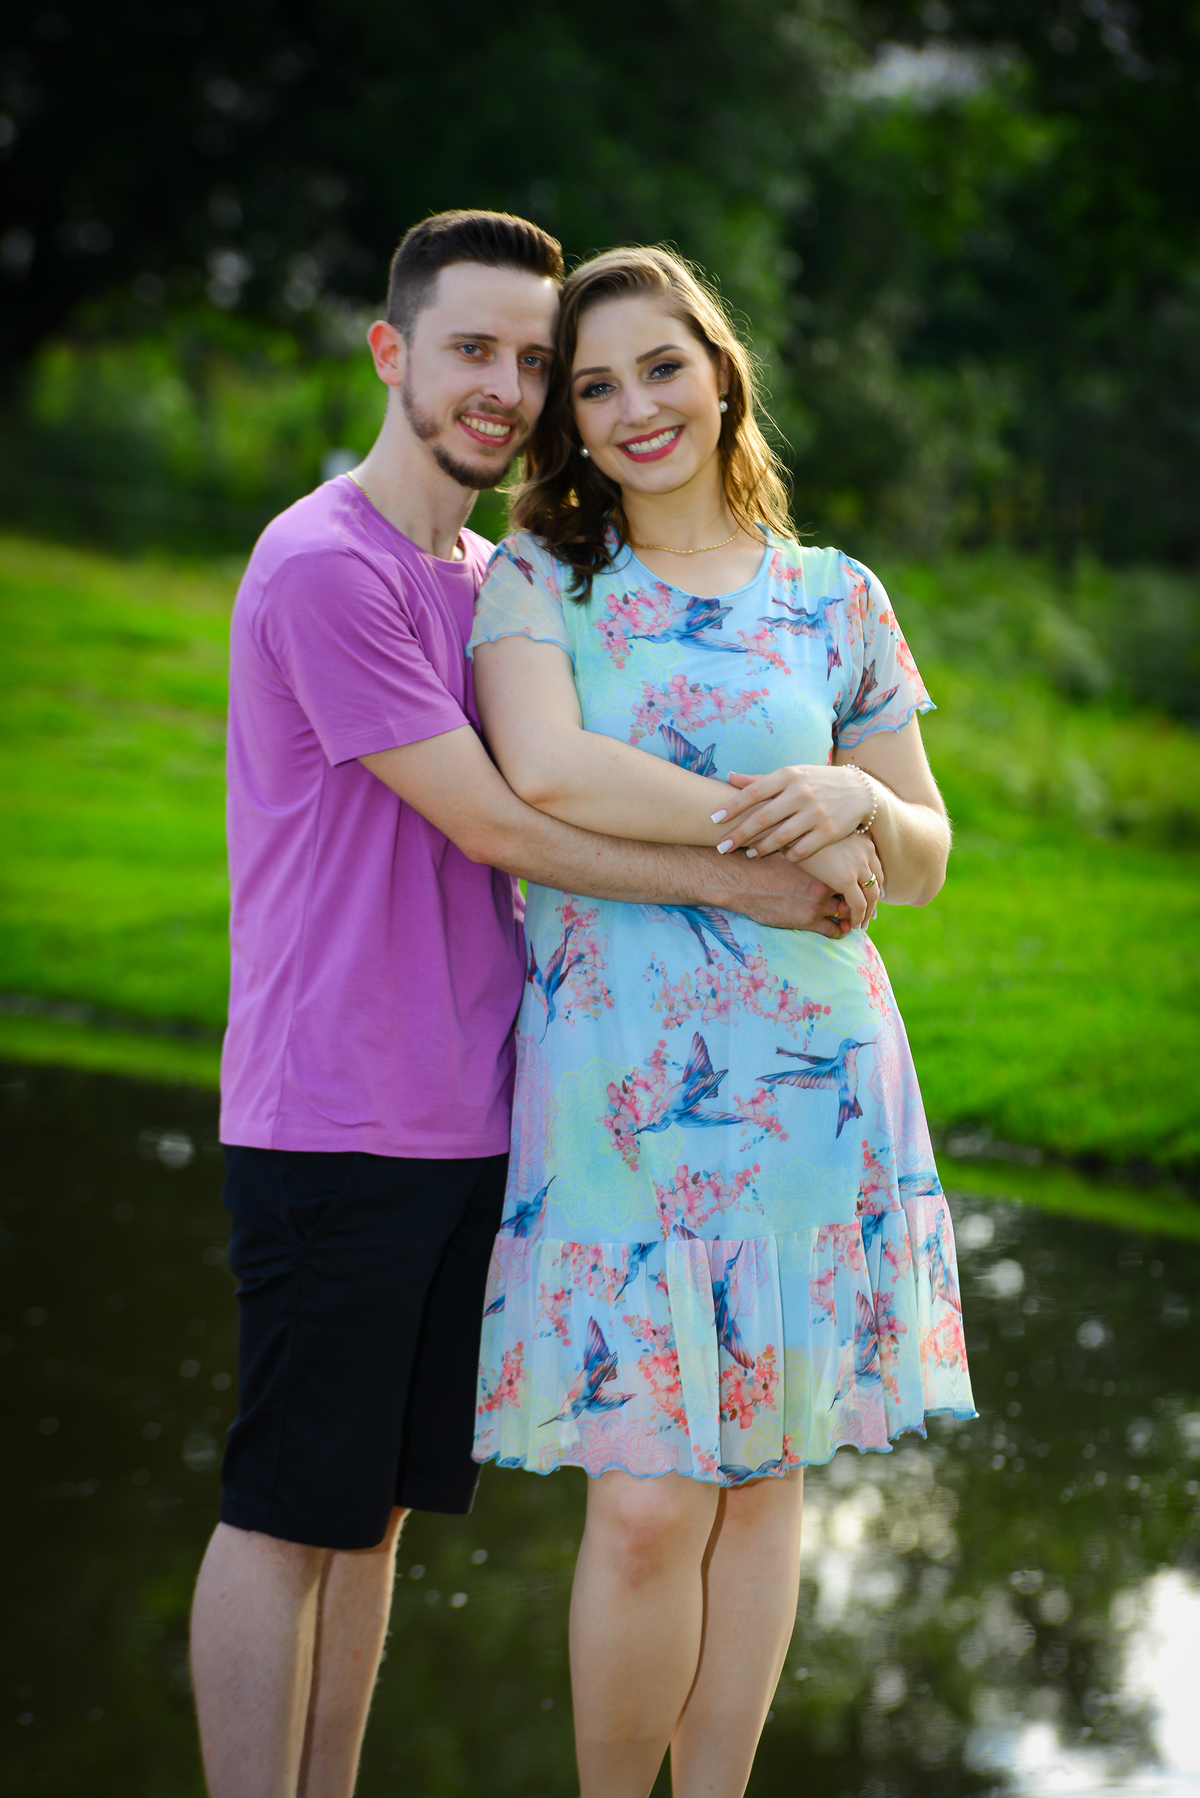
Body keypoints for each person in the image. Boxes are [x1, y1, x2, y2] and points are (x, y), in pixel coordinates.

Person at [188, 212, 851, 1798]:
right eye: (471, 349)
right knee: (286, 1509)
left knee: (372, 1515)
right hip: (335, 1110)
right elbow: (502, 819)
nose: (505, 385)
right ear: (392, 352)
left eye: (531, 360)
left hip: (478, 1113)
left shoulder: (489, 579)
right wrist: (756, 879)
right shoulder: (327, 564)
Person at [468, 245, 978, 1798]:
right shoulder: (539, 579)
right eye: (595, 385)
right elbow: (548, 772)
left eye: (661, 367)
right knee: (644, 1501)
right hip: (616, 1088)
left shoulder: (836, 595)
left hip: (811, 1086)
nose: (635, 407)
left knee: (761, 1481)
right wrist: (776, 827)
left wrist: (856, 801)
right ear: (567, 418)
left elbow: (927, 850)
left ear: (720, 371)